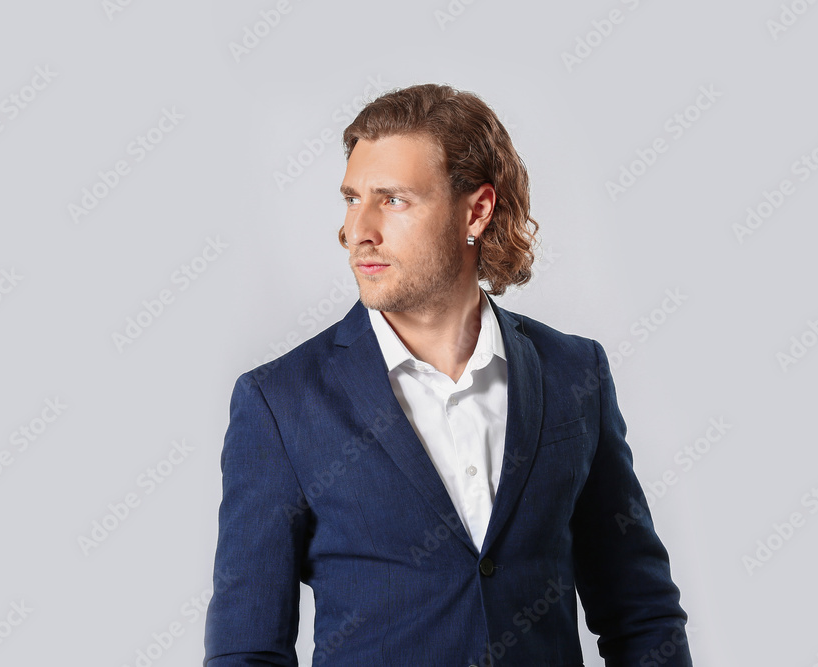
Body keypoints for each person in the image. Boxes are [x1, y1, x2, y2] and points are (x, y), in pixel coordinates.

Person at [204, 83, 692, 667]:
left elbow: (640, 613)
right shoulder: (281, 402)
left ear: (477, 211)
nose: (358, 230)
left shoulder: (572, 374)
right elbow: (246, 651)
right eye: (352, 198)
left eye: (393, 200)